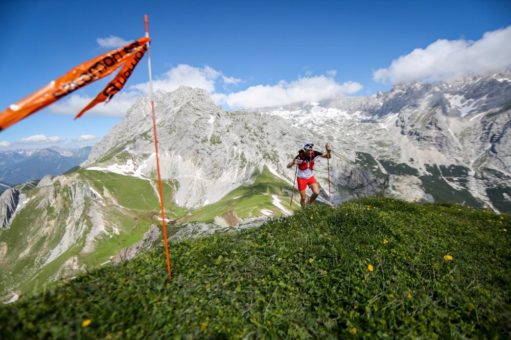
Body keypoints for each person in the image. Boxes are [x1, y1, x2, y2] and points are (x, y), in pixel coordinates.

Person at [287, 142, 332, 207]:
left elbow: (328, 157)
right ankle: (303, 208)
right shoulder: (300, 156)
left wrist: (328, 151)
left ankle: (309, 205)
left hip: (310, 177)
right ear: (305, 150)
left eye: (311, 150)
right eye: (309, 151)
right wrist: (294, 162)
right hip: (301, 178)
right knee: (303, 198)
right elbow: (288, 166)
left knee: (316, 192)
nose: (311, 152)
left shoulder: (314, 153)